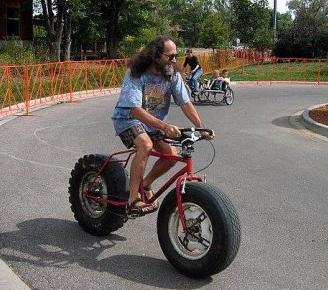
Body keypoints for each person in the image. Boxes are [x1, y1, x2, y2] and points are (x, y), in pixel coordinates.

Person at [112, 36, 213, 216]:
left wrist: (200, 128)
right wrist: (165, 127)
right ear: (155, 55)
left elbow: (185, 103)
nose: (175, 60)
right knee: (145, 145)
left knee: (170, 156)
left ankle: (146, 184)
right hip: (128, 119)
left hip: (153, 124)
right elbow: (135, 110)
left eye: (176, 56)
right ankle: (133, 200)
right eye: (170, 56)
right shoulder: (136, 73)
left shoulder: (171, 74)